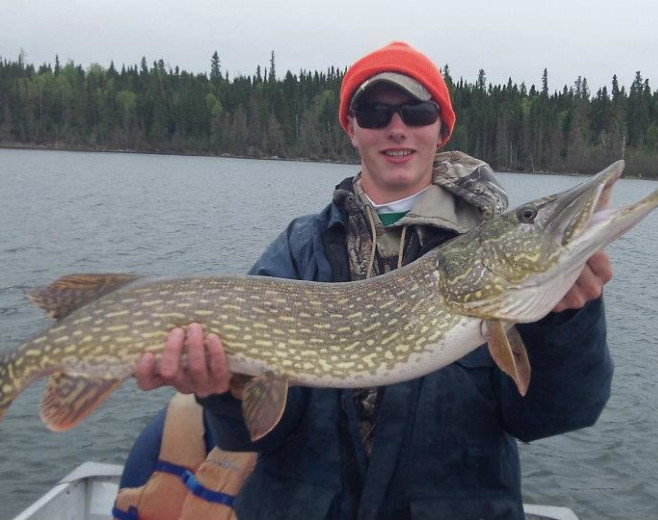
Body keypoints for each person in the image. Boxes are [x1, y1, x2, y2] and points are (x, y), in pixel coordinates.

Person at [125, 41, 614, 520]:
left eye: (417, 111)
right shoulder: (301, 249)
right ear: (352, 129)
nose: (397, 128)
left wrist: (566, 324)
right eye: (376, 112)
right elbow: (257, 433)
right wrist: (223, 387)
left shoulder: (488, 262)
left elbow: (552, 417)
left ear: (441, 128)